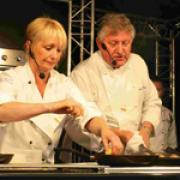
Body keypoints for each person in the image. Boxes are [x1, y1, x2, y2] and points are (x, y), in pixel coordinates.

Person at [0, 16, 124, 164]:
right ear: (29, 46)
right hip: (9, 168)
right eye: (48, 48)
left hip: (44, 169)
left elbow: (87, 112)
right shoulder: (10, 78)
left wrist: (104, 130)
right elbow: (3, 110)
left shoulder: (63, 83)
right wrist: (50, 107)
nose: (54, 56)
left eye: (59, 50)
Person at [65, 12, 162, 157]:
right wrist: (115, 135)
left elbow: (152, 102)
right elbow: (76, 122)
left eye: (125, 43)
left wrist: (146, 130)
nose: (121, 50)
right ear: (100, 44)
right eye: (114, 43)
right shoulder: (83, 72)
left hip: (134, 151)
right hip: (95, 152)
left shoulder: (138, 63)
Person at [149, 75, 177, 152]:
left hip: (162, 158)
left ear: (163, 91)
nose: (154, 93)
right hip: (143, 158)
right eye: (151, 90)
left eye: (158, 90)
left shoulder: (168, 113)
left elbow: (172, 143)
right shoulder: (138, 112)